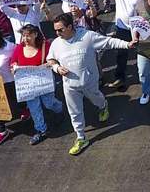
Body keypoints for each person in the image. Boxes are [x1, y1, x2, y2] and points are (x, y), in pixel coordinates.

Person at [46, 11, 137, 156]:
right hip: (69, 85)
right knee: (74, 112)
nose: (57, 33)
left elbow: (109, 42)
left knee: (97, 98)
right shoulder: (56, 44)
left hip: (89, 82)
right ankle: (81, 137)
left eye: (60, 29)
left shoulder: (87, 36)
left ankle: (103, 106)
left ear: (70, 27)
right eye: (55, 30)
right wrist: (57, 68)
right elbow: (50, 60)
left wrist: (127, 44)